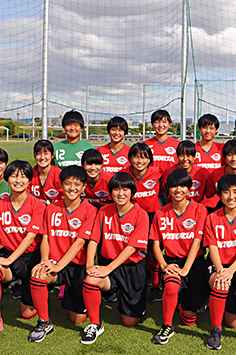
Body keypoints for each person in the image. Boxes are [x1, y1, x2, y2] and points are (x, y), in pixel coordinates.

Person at [27, 166, 97, 342]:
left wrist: (58, 266)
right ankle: (44, 321)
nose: (72, 188)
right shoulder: (50, 208)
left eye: (77, 184)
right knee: (38, 275)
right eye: (67, 184)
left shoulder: (90, 210)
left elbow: (80, 242)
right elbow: (45, 238)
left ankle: (74, 296)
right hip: (55, 263)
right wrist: (44, 261)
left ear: (83, 187)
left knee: (77, 319)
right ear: (60, 186)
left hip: (77, 266)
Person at [81, 172, 150, 344]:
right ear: (110, 192)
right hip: (108, 265)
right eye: (116, 189)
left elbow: (132, 247)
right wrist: (90, 264)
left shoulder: (141, 214)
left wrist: (109, 268)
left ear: (132, 192)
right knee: (91, 280)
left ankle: (135, 304)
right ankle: (95, 324)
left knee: (129, 322)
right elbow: (94, 239)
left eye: (125, 189)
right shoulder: (104, 211)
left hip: (132, 268)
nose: (120, 193)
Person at [0, 160, 46, 339]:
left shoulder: (38, 205)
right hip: (8, 254)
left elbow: (30, 236)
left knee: (27, 313)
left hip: (31, 257)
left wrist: (9, 260)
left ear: (29, 181)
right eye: (14, 176)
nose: (18, 180)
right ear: (7, 179)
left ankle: (30, 295)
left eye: (23, 176)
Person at [150, 169, 209, 344]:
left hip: (194, 262)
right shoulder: (161, 213)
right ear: (168, 189)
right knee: (171, 285)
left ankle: (183, 303)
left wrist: (186, 269)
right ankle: (167, 325)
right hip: (172, 261)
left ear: (189, 189)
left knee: (189, 320)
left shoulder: (199, 209)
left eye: (182, 186)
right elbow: (155, 244)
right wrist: (163, 265)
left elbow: (197, 242)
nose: (178, 190)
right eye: (174, 186)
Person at [204, 174, 236, 350]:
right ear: (220, 195)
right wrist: (221, 270)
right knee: (220, 282)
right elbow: (212, 247)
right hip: (219, 266)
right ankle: (215, 330)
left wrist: (231, 270)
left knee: (234, 323)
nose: (231, 196)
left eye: (235, 191)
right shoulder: (212, 217)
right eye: (226, 192)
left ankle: (220, 303)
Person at [127, 142, 163, 302]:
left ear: (150, 160)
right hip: (132, 218)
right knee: (133, 252)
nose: (140, 161)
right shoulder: (125, 175)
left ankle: (155, 285)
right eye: (136, 157)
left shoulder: (158, 173)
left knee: (153, 251)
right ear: (130, 158)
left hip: (153, 217)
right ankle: (133, 284)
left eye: (144, 157)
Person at [28, 139, 63, 205]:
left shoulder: (59, 174)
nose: (42, 157)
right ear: (35, 155)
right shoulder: (30, 173)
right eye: (38, 153)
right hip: (35, 212)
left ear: (52, 155)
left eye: (46, 153)